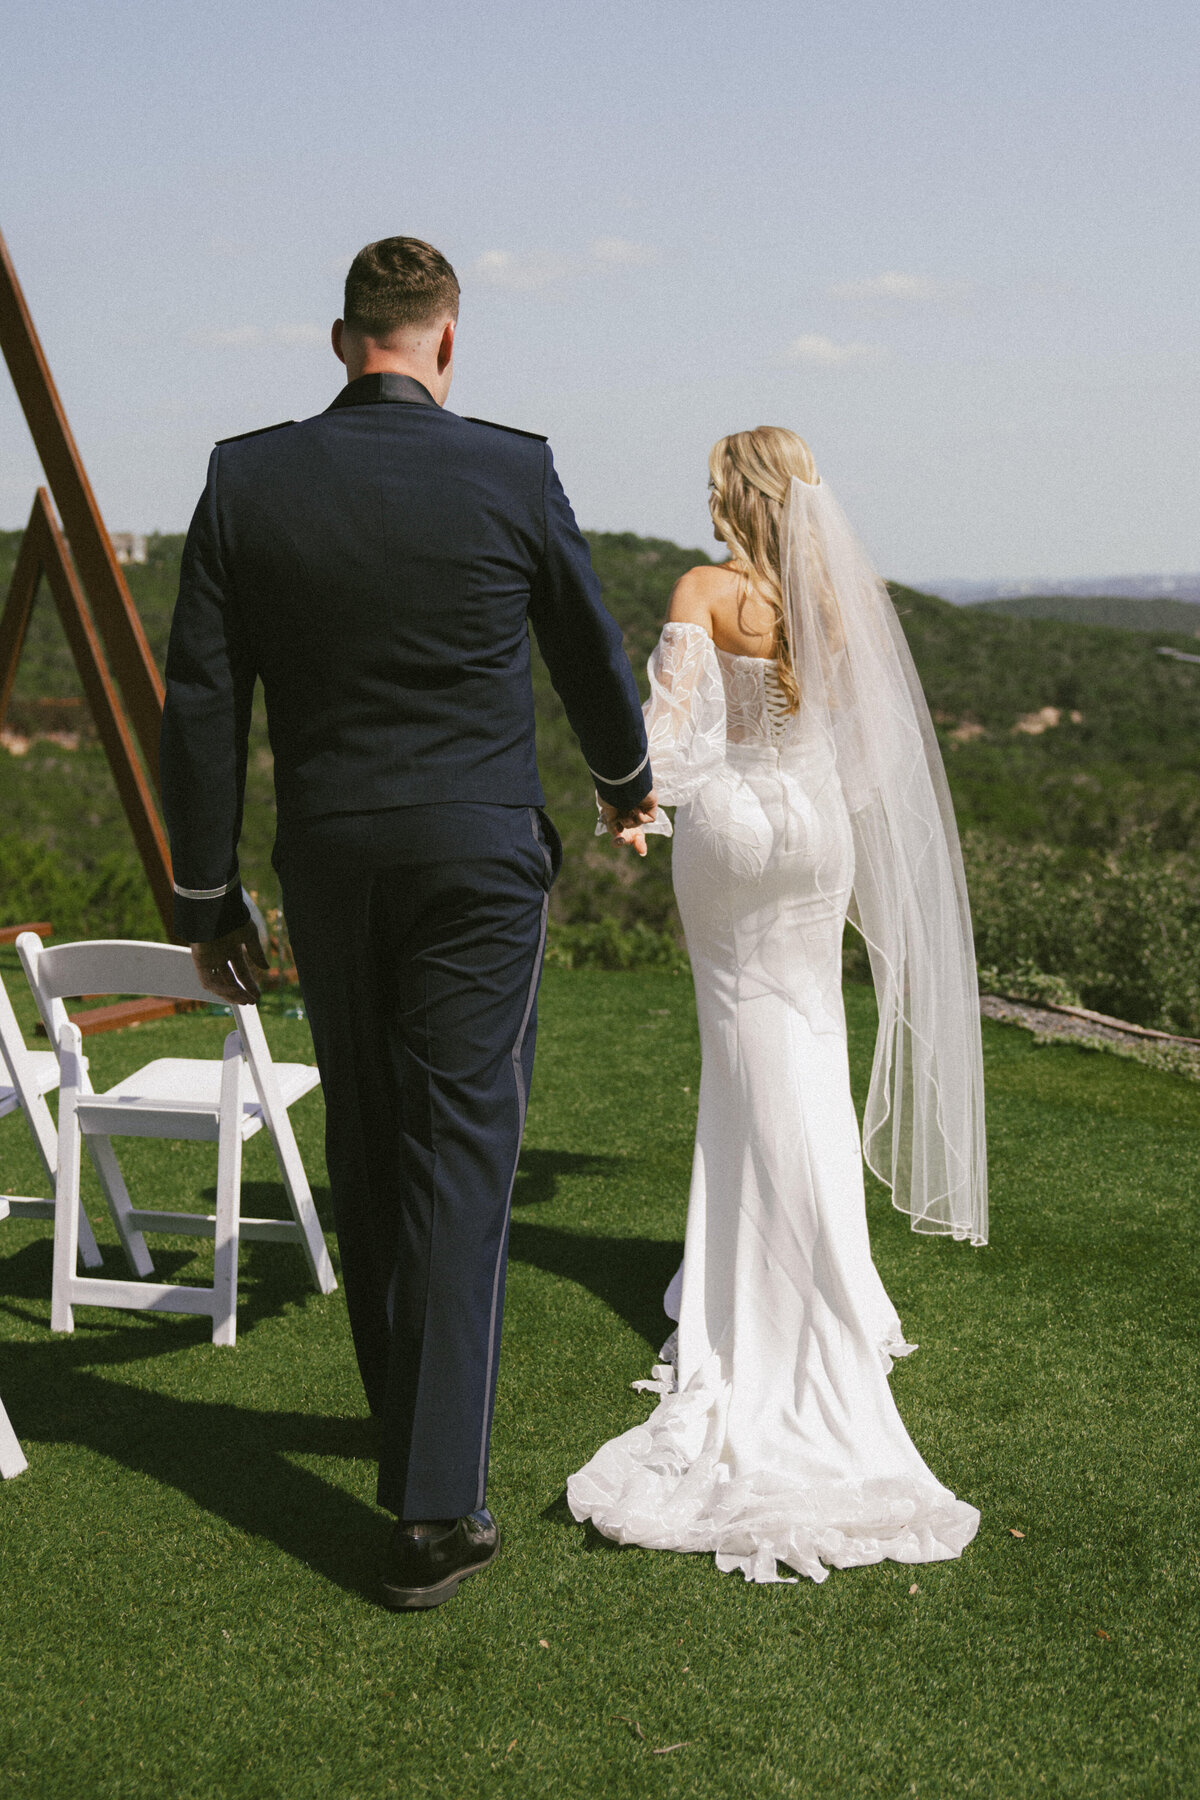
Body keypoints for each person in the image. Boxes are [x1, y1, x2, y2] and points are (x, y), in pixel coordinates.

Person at [160, 236, 655, 1609]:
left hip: (330, 857)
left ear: (341, 342)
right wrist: (625, 783)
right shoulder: (512, 464)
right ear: (448, 341)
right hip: (481, 856)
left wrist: (202, 896)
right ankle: (435, 1506)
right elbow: (590, 651)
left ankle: (410, 1436)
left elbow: (202, 701)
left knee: (373, 1136)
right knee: (465, 1151)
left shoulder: (243, 475)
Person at [570, 427, 987, 1585]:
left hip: (737, 834)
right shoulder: (845, 605)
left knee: (744, 1048)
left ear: (733, 495)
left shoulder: (703, 590)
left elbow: (678, 739)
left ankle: (784, 1300)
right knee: (806, 1039)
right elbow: (863, 744)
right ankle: (827, 1272)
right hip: (819, 836)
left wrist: (633, 808)